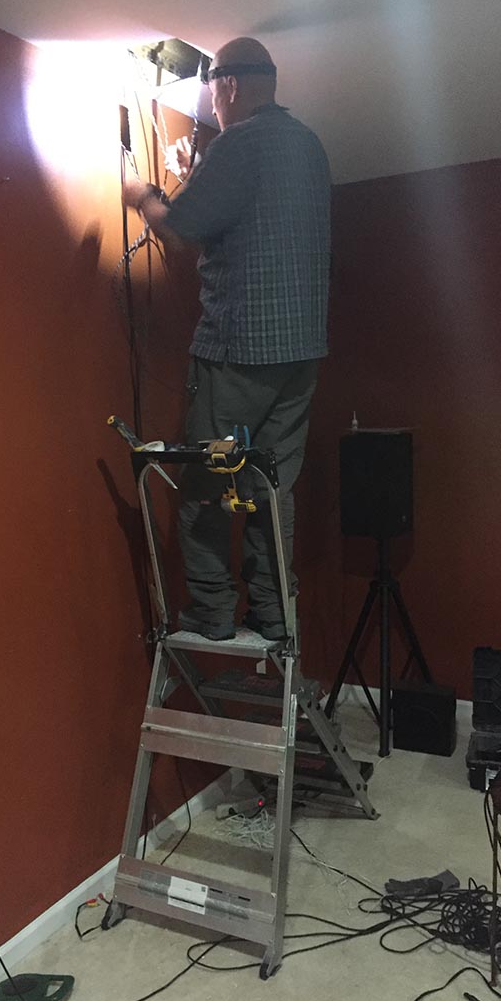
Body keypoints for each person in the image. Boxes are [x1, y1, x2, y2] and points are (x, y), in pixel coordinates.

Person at [123, 37, 331, 642]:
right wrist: (198, 172)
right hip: (299, 354)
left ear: (230, 85)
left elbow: (181, 227)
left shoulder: (239, 142)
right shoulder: (308, 145)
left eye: (212, 90)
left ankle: (213, 610)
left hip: (239, 350)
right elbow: (250, 217)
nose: (212, 105)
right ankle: (273, 612)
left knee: (206, 479)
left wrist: (141, 194)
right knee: (270, 484)